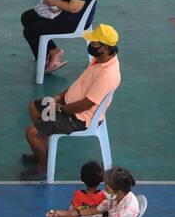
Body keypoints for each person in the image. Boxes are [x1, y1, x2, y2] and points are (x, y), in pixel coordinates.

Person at [22, 23, 121, 180]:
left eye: (94, 43)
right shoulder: (98, 59)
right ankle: (42, 151)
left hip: (79, 118)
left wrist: (60, 108)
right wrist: (58, 97)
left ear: (104, 47)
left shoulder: (107, 74)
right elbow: (79, 84)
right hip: (68, 105)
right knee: (34, 107)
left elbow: (86, 104)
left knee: (31, 131)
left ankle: (43, 167)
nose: (91, 45)